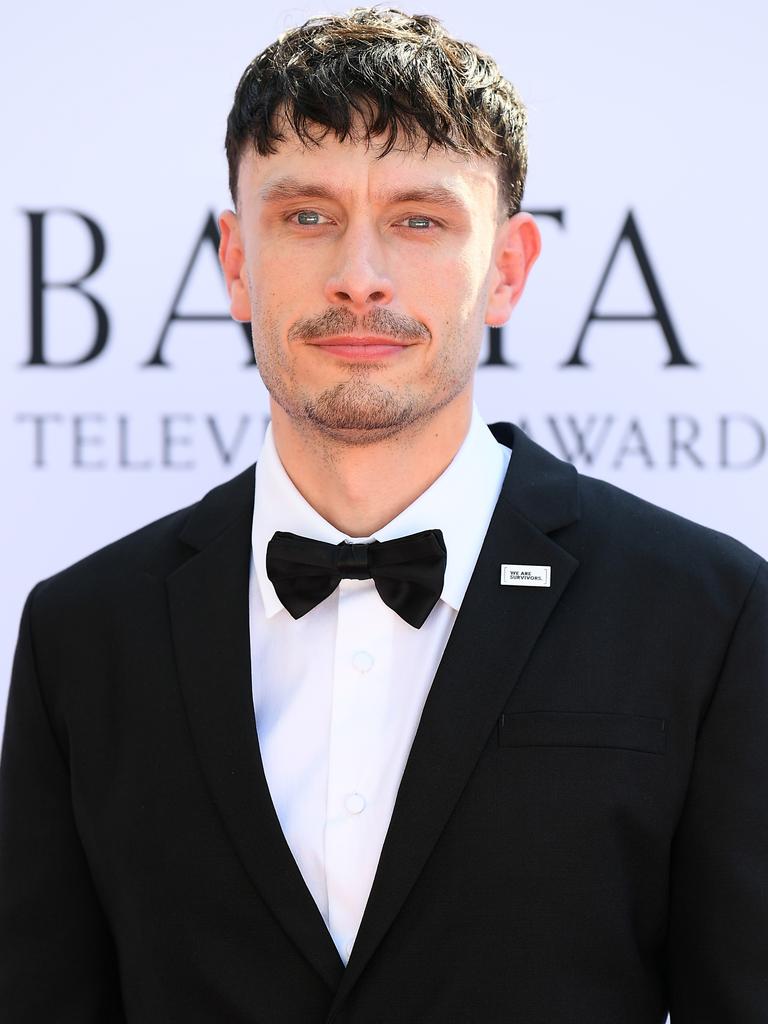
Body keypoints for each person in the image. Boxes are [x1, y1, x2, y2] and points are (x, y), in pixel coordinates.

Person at [1, 7, 766, 1022]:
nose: (359, 276)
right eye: (307, 215)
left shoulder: (707, 613)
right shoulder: (83, 631)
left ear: (508, 268)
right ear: (235, 261)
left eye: (419, 220)